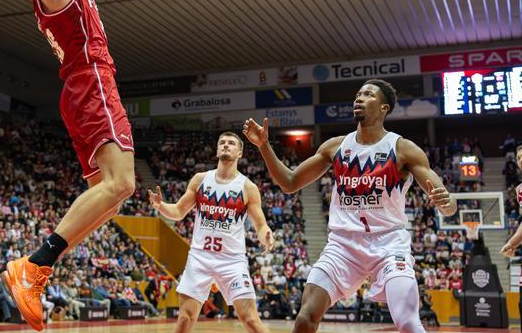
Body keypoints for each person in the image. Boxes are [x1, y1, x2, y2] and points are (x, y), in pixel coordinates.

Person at [5, 0, 135, 331]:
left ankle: (37, 268)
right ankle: (34, 265)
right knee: (123, 184)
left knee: (112, 196)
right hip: (91, 80)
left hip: (79, 90)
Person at [243, 79, 457, 333]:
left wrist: (447, 203)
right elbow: (289, 183)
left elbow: (449, 204)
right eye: (358, 94)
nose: (359, 98)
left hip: (388, 244)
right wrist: (264, 146)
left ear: (384, 108)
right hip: (343, 246)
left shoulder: (403, 149)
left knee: (407, 322)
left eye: (367, 95)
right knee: (304, 319)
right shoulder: (336, 146)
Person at [148, 132, 273, 333]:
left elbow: (260, 224)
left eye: (231, 143)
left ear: (239, 152)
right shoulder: (200, 180)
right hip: (200, 257)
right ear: (216, 150)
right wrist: (160, 205)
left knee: (250, 319)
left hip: (231, 260)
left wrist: (266, 234)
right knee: (185, 319)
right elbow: (179, 211)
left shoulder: (248, 187)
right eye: (222, 142)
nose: (226, 145)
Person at [499, 145, 522, 319]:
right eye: (519, 157)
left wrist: (513, 242)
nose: (521, 160)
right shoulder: (520, 189)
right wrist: (513, 242)